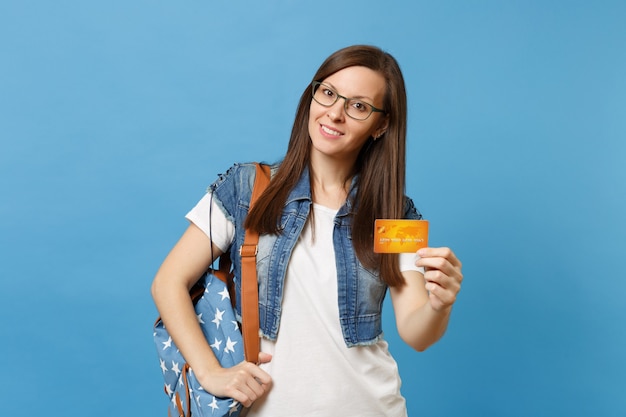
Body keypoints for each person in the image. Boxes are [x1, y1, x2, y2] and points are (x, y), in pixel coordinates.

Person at [151, 44, 463, 417]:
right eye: (329, 93)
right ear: (312, 95)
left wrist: (439, 305)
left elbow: (416, 332)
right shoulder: (248, 188)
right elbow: (168, 282)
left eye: (359, 106)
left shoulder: (395, 214)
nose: (335, 113)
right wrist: (210, 372)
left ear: (381, 125)